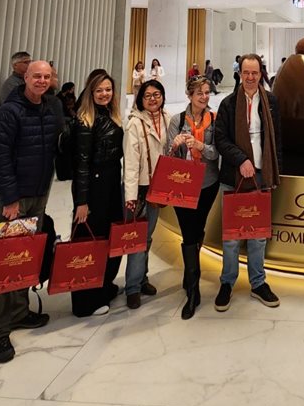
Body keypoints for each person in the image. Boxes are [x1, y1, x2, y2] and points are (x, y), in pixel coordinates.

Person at [0, 61, 57, 363]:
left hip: (38, 196)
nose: (41, 80)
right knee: (2, 263)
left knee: (23, 258)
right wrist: (10, 199)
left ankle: (18, 311)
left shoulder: (48, 110)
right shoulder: (9, 112)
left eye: (46, 77)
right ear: (24, 78)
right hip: (12, 201)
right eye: (36, 76)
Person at [214, 53, 281, 311]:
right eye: (246, 73)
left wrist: (276, 173)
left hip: (262, 175)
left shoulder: (271, 102)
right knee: (231, 237)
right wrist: (241, 159)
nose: (251, 78)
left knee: (258, 235)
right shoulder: (229, 104)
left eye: (255, 73)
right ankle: (227, 282)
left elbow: (278, 141)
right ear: (240, 74)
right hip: (234, 176)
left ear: (260, 74)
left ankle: (258, 283)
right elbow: (220, 139)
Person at [71, 72, 124, 317]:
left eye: (108, 89)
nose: (105, 94)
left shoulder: (110, 114)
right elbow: (81, 163)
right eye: (99, 90)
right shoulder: (85, 120)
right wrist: (82, 201)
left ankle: (103, 286)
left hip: (112, 181)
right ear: (90, 93)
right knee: (89, 243)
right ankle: (84, 301)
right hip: (93, 187)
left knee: (109, 237)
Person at [167, 76, 221, 320]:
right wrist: (176, 144)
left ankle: (190, 273)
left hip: (208, 184)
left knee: (198, 231)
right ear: (189, 95)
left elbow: (216, 153)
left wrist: (201, 145)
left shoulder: (214, 120)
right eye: (200, 93)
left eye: (207, 92)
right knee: (188, 234)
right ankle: (193, 290)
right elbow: (169, 155)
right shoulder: (177, 121)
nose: (204, 97)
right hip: (182, 186)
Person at [123, 79, 170, 309]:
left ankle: (142, 278)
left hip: (160, 186)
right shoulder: (135, 123)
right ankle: (132, 287)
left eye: (157, 94)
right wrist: (130, 196)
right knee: (138, 237)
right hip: (141, 188)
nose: (153, 99)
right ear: (141, 99)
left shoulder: (167, 118)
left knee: (148, 235)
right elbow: (130, 163)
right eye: (148, 95)